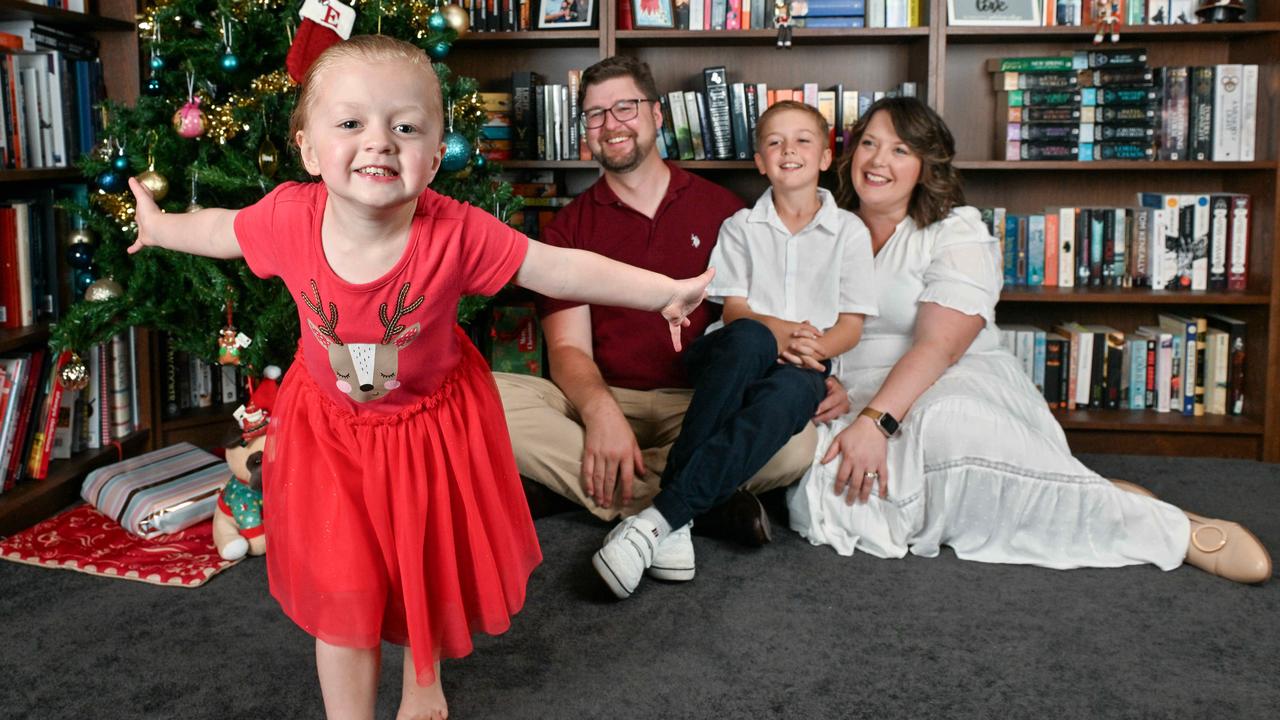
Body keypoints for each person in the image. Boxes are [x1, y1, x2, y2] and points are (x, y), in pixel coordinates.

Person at [126, 36, 713, 720]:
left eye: (404, 126)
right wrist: (160, 226)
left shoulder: (458, 231)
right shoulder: (289, 217)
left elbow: (558, 269)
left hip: (430, 426)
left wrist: (662, 291)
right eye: (350, 123)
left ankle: (422, 679)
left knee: (423, 563)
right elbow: (224, 230)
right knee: (343, 587)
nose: (379, 142)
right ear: (310, 150)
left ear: (435, 158)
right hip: (332, 433)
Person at [787, 96, 1272, 585]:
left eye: (900, 150)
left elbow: (940, 348)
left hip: (948, 379)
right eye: (869, 144)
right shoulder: (828, 230)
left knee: (944, 424)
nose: (878, 162)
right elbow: (807, 325)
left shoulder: (956, 232)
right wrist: (827, 380)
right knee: (830, 491)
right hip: (859, 395)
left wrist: (877, 422)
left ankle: (1169, 531)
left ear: (925, 166)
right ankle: (1093, 494)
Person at [495, 56, 849, 555]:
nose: (610, 125)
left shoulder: (726, 211)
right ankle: (698, 500)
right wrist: (600, 414)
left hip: (703, 405)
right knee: (481, 399)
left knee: (797, 446)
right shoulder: (569, 229)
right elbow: (569, 349)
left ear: (657, 116)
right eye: (595, 115)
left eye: (625, 107)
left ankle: (628, 494)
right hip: (600, 397)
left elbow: (764, 318)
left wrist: (815, 368)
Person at [592, 100, 878, 598]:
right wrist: (785, 335)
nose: (789, 150)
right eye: (774, 142)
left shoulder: (850, 232)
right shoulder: (741, 226)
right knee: (753, 337)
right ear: (760, 162)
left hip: (805, 364)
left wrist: (813, 352)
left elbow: (851, 324)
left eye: (803, 140)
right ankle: (680, 515)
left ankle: (664, 522)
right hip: (731, 356)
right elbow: (735, 311)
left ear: (828, 157)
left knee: (795, 394)